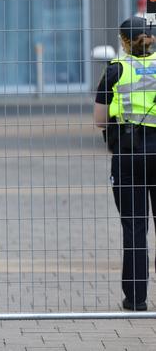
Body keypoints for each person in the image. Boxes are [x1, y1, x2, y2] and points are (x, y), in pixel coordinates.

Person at [94, 16, 156, 312]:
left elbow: (98, 121)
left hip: (130, 154)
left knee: (134, 227)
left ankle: (136, 298)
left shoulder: (116, 69)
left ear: (124, 41)